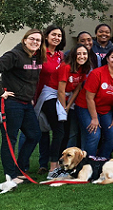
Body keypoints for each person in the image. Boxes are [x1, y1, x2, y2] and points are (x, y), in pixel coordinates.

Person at [0, 29, 45, 184]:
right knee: (10, 139)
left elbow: (30, 81)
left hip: (25, 103)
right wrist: (0, 92)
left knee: (34, 134)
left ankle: (19, 168)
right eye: (32, 38)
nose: (35, 42)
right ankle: (10, 176)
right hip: (10, 103)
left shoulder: (36, 57)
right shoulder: (14, 55)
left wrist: (30, 97)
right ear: (24, 40)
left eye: (38, 40)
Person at [75, 48, 113, 160]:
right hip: (85, 107)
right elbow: (89, 98)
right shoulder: (97, 73)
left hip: (105, 109)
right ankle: (88, 163)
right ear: (108, 59)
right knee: (94, 134)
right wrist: (94, 118)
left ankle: (101, 160)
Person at [45, 44, 91, 179]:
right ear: (73, 55)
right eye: (79, 53)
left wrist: (68, 106)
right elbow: (60, 90)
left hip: (68, 98)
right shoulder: (66, 67)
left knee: (65, 133)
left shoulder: (83, 69)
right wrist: (62, 107)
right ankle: (52, 168)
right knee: (58, 131)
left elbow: (77, 89)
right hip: (52, 95)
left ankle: (62, 165)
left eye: (85, 54)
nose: (82, 56)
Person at [28, 25, 65, 175]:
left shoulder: (61, 56)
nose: (56, 37)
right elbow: (30, 76)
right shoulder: (38, 54)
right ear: (46, 36)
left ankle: (49, 164)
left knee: (48, 129)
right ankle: (44, 165)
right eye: (53, 34)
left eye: (59, 35)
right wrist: (30, 96)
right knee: (38, 132)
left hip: (55, 96)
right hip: (38, 97)